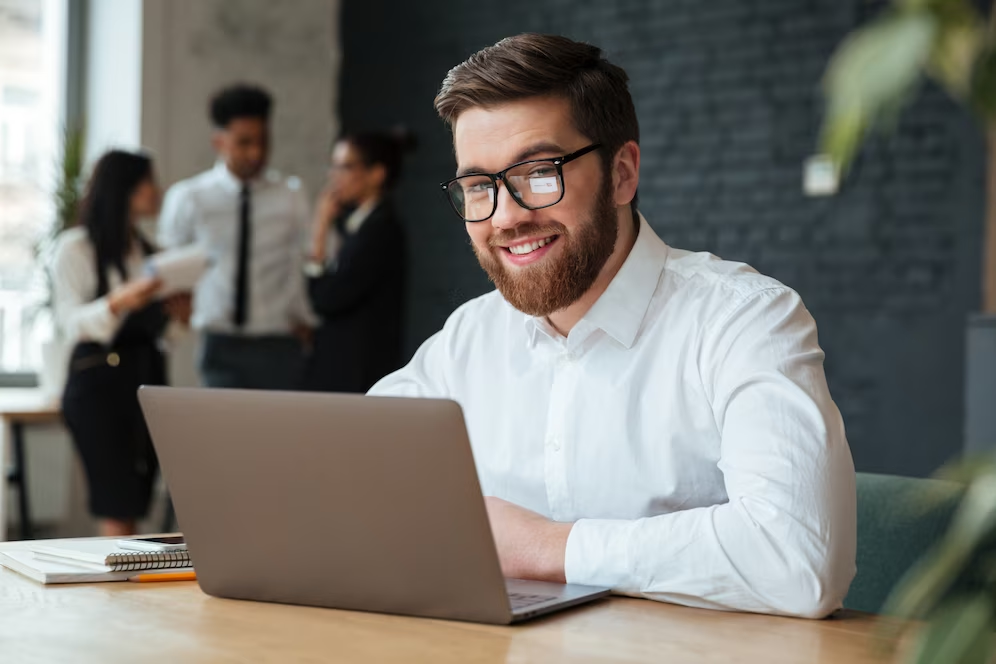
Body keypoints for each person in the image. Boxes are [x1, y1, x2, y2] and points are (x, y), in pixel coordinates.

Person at [369, 34, 857, 618]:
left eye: (539, 173)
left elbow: (799, 559)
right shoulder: (467, 340)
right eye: (479, 187)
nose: (507, 216)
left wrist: (545, 547)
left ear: (622, 174)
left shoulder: (744, 321)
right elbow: (349, 487)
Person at [52, 150, 190, 537]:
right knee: (117, 505)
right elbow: (70, 321)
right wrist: (120, 301)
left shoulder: (154, 253)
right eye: (149, 182)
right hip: (96, 386)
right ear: (125, 189)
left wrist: (179, 318)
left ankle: (128, 590)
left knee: (139, 498)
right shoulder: (76, 247)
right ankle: (116, 592)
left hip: (145, 381)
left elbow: (165, 337)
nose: (157, 191)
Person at [158, 83, 316, 390]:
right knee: (221, 436)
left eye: (263, 142)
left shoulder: (291, 195)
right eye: (244, 143)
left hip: (280, 343)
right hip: (220, 344)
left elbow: (311, 259)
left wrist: (309, 318)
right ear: (219, 141)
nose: (256, 153)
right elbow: (168, 269)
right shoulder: (189, 197)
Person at [303, 130, 412, 393]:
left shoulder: (379, 229)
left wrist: (319, 229)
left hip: (358, 374)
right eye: (334, 166)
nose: (334, 176)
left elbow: (327, 298)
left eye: (345, 167)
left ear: (376, 174)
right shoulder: (362, 224)